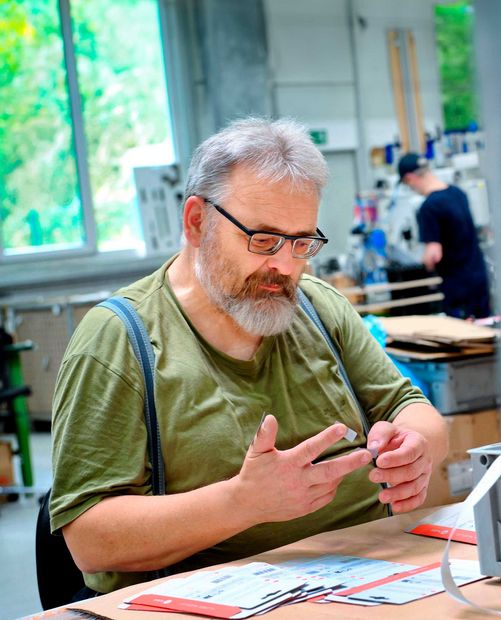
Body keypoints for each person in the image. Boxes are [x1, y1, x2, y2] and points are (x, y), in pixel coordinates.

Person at [50, 117, 448, 595]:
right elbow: (90, 541)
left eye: (302, 244)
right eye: (262, 240)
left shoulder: (318, 308)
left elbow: (410, 407)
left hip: (372, 581)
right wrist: (244, 503)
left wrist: (418, 447)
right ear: (197, 222)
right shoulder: (119, 341)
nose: (283, 266)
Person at [398, 153, 492, 319]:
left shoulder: (429, 207)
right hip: (479, 278)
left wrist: (425, 261)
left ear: (410, 178)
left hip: (458, 286)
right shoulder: (458, 193)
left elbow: (434, 254)